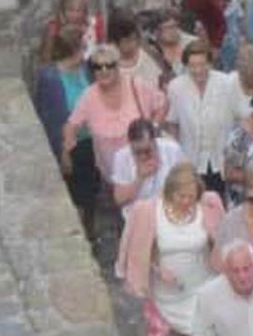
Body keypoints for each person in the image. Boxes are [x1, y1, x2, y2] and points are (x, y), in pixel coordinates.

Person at [116, 163, 224, 336]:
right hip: (169, 293)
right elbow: (140, 246)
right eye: (181, 196)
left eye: (191, 197)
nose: (186, 202)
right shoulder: (149, 211)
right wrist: (157, 268)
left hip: (202, 284)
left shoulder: (209, 206)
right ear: (169, 191)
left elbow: (223, 240)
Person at [61, 45, 168, 200]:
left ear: (117, 66)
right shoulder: (88, 96)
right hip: (112, 177)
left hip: (147, 167)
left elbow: (162, 103)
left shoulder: (136, 85)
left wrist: (155, 127)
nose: (104, 70)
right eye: (98, 67)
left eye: (109, 65)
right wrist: (66, 149)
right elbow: (71, 124)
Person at [32, 27, 97, 221]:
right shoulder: (50, 78)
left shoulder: (85, 69)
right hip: (71, 145)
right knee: (76, 194)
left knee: (92, 192)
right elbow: (50, 119)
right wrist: (63, 153)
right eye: (81, 48)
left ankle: (92, 230)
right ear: (73, 51)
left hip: (91, 141)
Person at [166, 40, 234, 196]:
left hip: (222, 159)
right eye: (192, 66)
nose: (198, 70)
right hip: (190, 161)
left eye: (202, 64)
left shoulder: (226, 82)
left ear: (210, 63)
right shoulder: (176, 87)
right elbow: (173, 124)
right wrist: (178, 159)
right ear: (186, 66)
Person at [111, 119, 185, 218]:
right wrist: (140, 178)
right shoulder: (121, 157)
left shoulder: (172, 150)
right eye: (137, 151)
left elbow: (188, 183)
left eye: (147, 151)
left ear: (154, 141)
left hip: (170, 209)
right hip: (137, 214)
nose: (143, 156)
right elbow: (119, 199)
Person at [38, 0, 104, 64]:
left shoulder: (94, 26)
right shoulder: (54, 29)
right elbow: (45, 61)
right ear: (63, 11)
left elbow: (102, 51)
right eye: (70, 10)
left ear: (85, 11)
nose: (75, 15)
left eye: (79, 10)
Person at [110, 9, 165, 86]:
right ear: (115, 42)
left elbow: (161, 83)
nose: (133, 45)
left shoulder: (150, 54)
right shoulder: (107, 63)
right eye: (126, 41)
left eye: (134, 39)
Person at [148, 9, 198, 81]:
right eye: (169, 28)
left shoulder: (192, 43)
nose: (174, 31)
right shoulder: (150, 48)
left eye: (175, 26)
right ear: (156, 31)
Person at [210, 0, 243, 71]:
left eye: (226, 0)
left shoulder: (235, 8)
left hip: (234, 58)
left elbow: (242, 31)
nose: (221, 4)